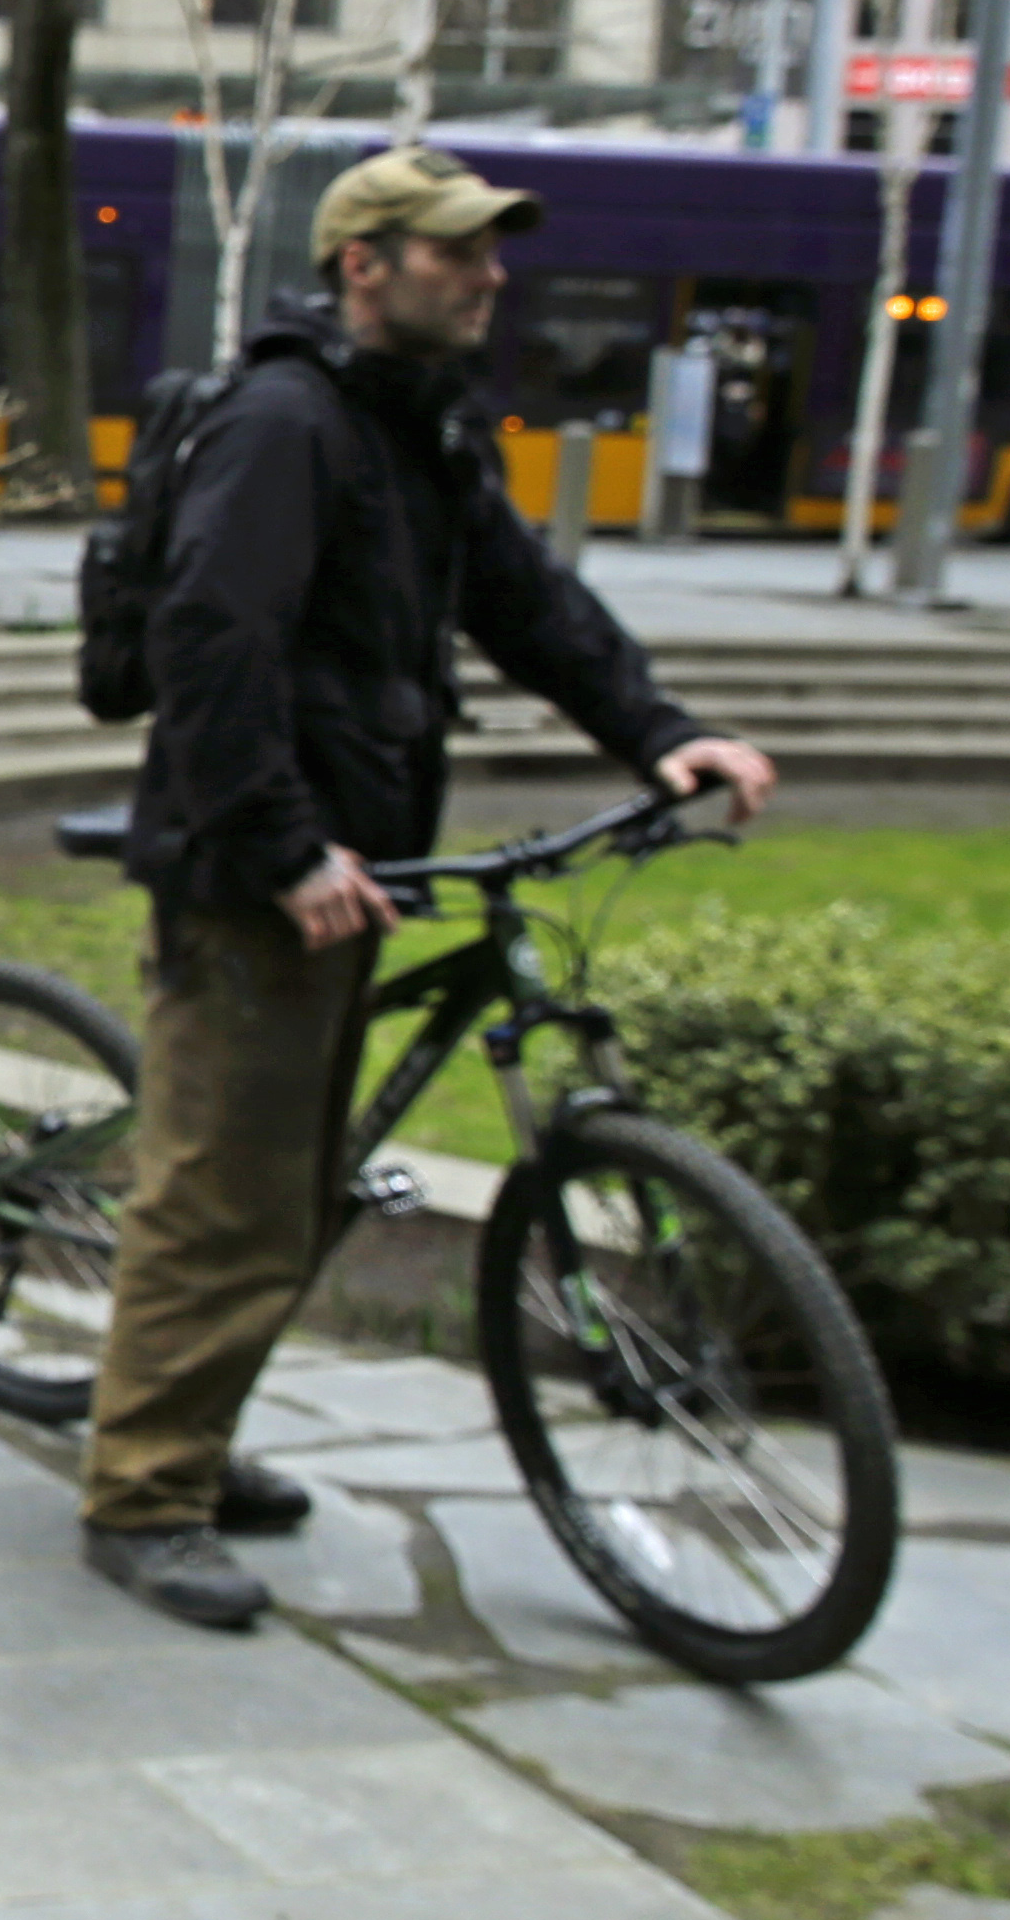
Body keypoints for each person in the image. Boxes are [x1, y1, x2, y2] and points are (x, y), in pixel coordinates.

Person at [78, 146, 776, 1629]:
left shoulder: (423, 431)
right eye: (457, 251)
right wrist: (278, 850)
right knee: (223, 1198)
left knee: (302, 1181)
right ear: (363, 265)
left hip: (361, 863)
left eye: (492, 253)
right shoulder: (287, 424)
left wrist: (660, 735)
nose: (490, 277)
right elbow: (213, 644)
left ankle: (191, 1437)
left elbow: (531, 605)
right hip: (261, 873)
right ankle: (143, 1492)